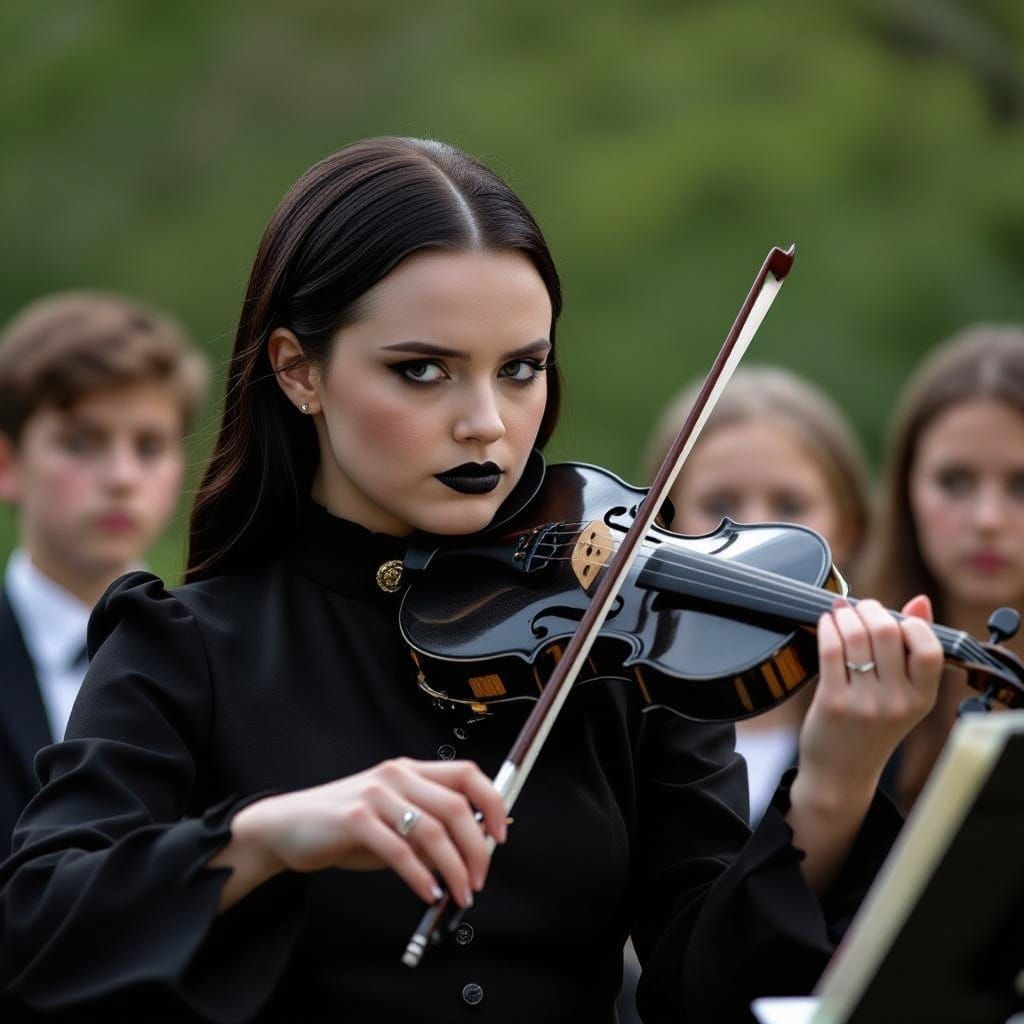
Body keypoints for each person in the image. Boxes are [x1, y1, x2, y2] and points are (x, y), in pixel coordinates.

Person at [0, 138, 944, 1023]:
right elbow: (38, 931)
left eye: (522, 369)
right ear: (299, 372)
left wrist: (835, 781)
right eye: (423, 372)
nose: (487, 423)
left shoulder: (624, 635)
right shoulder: (186, 645)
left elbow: (715, 997)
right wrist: (268, 837)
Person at [0, 292, 208, 847]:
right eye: (80, 442)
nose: (120, 477)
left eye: (149, 446)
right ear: (8, 463)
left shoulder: (221, 653)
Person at [644, 366, 871, 823]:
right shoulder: (627, 719)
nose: (754, 533)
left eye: (789, 506)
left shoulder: (878, 725)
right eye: (720, 505)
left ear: (845, 530)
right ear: (662, 525)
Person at [860, 324, 1024, 813]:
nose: (987, 520)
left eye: (1021, 485)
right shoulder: (845, 675)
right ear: (906, 488)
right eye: (954, 481)